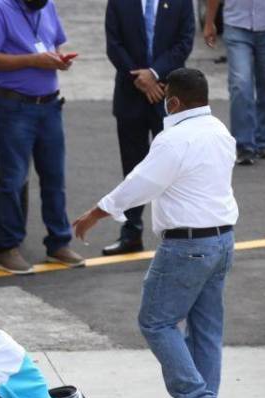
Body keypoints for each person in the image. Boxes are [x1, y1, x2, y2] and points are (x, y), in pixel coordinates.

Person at [72, 68, 237, 398]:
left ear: (173, 101)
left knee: (157, 322)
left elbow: (140, 184)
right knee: (206, 329)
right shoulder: (220, 132)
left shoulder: (173, 140)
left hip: (187, 246)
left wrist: (96, 213)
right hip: (223, 241)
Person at [0, 0, 85, 274]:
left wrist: (58, 60)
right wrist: (32, 60)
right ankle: (7, 248)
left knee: (54, 176)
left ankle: (58, 242)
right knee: (13, 179)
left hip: (49, 105)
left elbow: (53, 44)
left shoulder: (46, 6)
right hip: (14, 107)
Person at [103, 0, 195, 255]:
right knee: (133, 170)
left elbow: (184, 42)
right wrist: (141, 79)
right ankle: (131, 233)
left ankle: (180, 233)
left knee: (174, 169)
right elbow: (114, 45)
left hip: (168, 95)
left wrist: (154, 73)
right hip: (130, 95)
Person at [204, 0, 265, 165]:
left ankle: (262, 140)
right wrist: (209, 22)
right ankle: (244, 145)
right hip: (236, 25)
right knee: (240, 84)